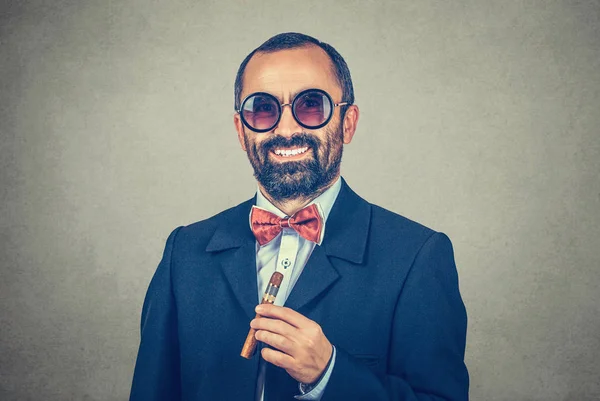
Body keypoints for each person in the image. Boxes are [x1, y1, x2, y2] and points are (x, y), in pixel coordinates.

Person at [129, 32, 469, 401]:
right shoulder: (185, 251)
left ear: (348, 123)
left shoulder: (418, 256)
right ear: (241, 131)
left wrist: (330, 373)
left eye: (311, 105)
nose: (287, 129)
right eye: (263, 108)